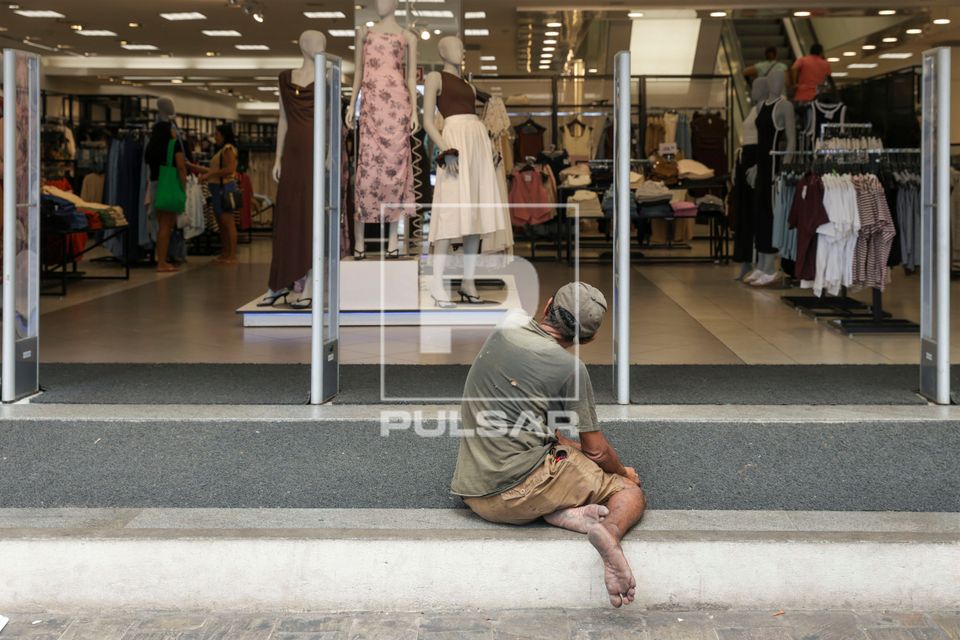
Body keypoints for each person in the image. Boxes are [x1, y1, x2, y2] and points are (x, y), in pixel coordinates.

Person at [451, 282, 647, 608]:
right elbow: (597, 451)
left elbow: (552, 438)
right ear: (588, 339)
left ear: (548, 305)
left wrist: (575, 453)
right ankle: (609, 532)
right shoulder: (570, 367)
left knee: (562, 455)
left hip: (474, 493)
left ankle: (560, 512)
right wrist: (622, 472)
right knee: (629, 493)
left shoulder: (504, 329)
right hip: (517, 491)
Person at [190, 124, 240, 264]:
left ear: (223, 135)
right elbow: (212, 170)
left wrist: (209, 174)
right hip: (217, 188)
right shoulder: (221, 150)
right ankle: (225, 252)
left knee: (227, 221)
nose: (215, 137)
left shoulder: (228, 149)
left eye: (217, 134)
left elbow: (229, 169)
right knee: (221, 221)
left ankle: (232, 254)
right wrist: (193, 167)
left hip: (224, 188)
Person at [145, 121, 186, 273]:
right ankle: (162, 262)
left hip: (155, 186)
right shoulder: (173, 145)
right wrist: (183, 187)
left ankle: (161, 260)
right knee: (166, 226)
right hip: (169, 185)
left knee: (161, 225)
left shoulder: (151, 146)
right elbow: (181, 166)